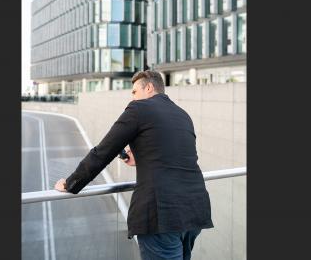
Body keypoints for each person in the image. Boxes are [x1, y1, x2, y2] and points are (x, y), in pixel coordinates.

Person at [54, 70, 213, 260]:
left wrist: (71, 183)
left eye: (134, 91)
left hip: (162, 214)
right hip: (194, 210)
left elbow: (104, 151)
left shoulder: (139, 109)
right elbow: (174, 156)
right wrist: (140, 157)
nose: (132, 96)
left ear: (149, 87)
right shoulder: (182, 114)